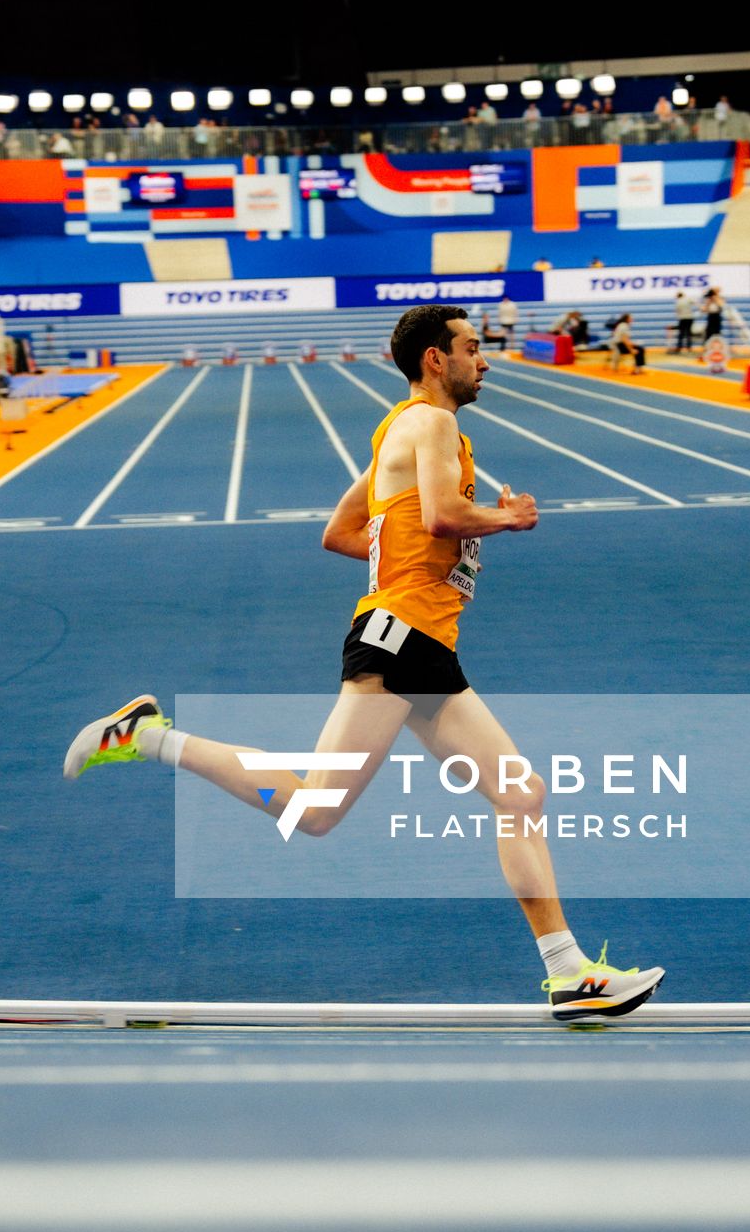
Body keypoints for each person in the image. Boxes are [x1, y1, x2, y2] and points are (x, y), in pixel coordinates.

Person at [63, 307, 664, 1019]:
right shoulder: (433, 424)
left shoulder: (395, 433)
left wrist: (432, 555)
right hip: (399, 636)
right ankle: (146, 735)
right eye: (473, 348)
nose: (486, 359)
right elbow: (442, 516)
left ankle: (569, 974)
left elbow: (342, 533)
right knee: (315, 809)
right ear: (435, 360)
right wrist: (506, 519)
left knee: (520, 794)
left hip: (422, 637)